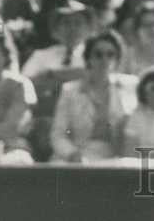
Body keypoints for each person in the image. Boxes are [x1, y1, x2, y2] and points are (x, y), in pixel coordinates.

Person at [50, 30, 138, 163]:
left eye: (110, 54)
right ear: (88, 58)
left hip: (116, 158)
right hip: (77, 156)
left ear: (117, 59)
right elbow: (58, 135)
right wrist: (72, 154)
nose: (105, 60)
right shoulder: (70, 90)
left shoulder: (130, 87)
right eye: (98, 54)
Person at [0, 11, 36, 165]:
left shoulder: (20, 84)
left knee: (19, 161)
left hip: (11, 148)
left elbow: (12, 127)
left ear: (4, 53)